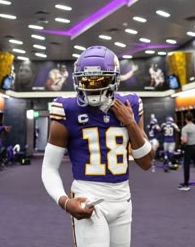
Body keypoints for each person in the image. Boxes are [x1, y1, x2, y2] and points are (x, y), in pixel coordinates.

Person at [42, 45, 153, 247]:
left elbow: (146, 162)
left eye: (100, 80)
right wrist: (65, 202)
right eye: (86, 80)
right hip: (88, 197)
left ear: (115, 79)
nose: (92, 87)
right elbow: (49, 167)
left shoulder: (131, 105)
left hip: (123, 199)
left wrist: (129, 122)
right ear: (77, 80)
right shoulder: (67, 109)